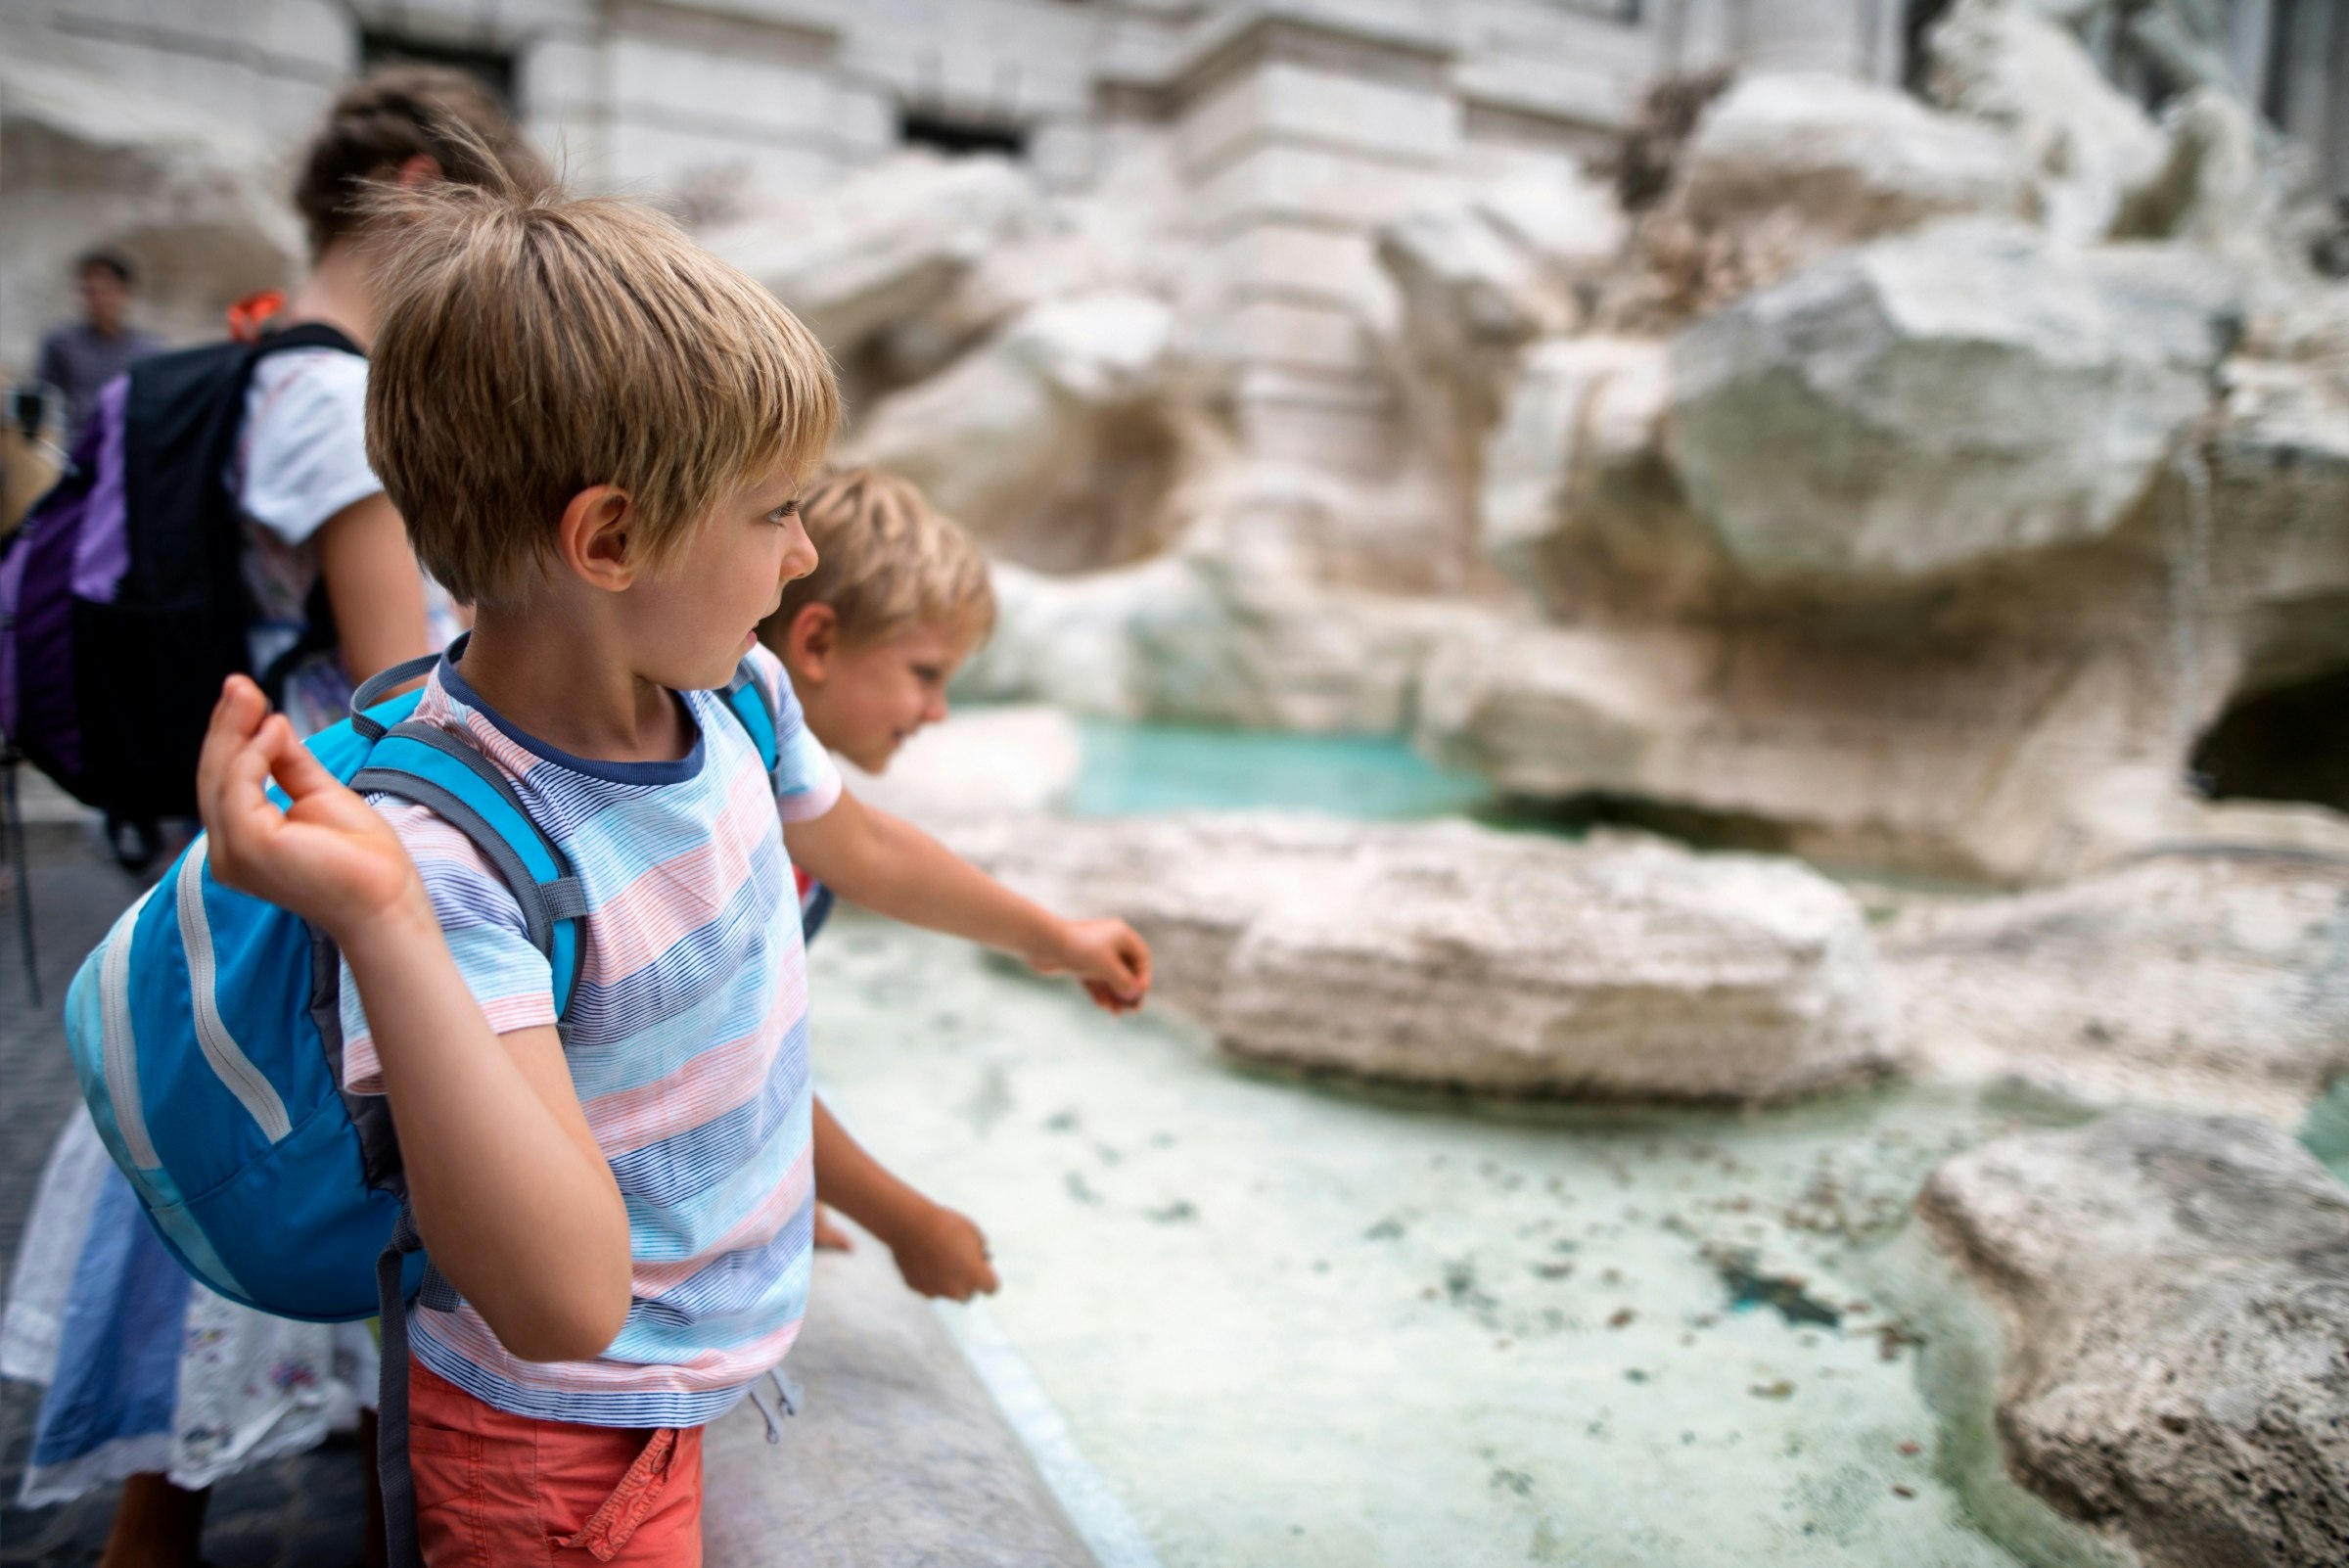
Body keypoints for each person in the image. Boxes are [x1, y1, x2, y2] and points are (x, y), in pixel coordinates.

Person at [193, 173, 1150, 1565]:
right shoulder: (447, 857)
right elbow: (563, 1301)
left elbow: (855, 840)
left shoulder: (735, 696)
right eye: (774, 513)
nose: (805, 550)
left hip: (700, 1353)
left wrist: (1043, 931)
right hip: (561, 1447)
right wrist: (383, 926)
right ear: (615, 540)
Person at [0, 66, 546, 1568]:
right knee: (301, 1181)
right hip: (332, 839)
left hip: (273, 834)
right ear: (426, 196)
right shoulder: (332, 394)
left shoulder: (270, 367)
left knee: (241, 1188)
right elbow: (394, 677)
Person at [759, 466, 1005, 1275]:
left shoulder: (772, 783)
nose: (936, 712)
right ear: (818, 642)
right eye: (925, 674)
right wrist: (907, 1223)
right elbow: (739, 1065)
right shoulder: (742, 820)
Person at [35, 251, 162, 443]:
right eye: (89, 291)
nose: (97, 300)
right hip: (72, 447)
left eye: (104, 290)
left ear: (125, 292)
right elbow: (43, 399)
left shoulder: (149, 351)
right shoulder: (62, 344)